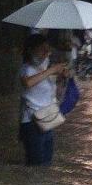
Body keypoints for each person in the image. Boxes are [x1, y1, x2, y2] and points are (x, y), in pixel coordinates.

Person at [19, 33, 68, 166]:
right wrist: (51, 70)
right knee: (35, 164)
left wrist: (62, 79)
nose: (46, 53)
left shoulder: (44, 68)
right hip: (31, 121)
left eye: (47, 49)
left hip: (47, 119)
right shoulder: (26, 68)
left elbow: (56, 94)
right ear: (31, 50)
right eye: (42, 49)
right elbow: (28, 83)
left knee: (46, 163)